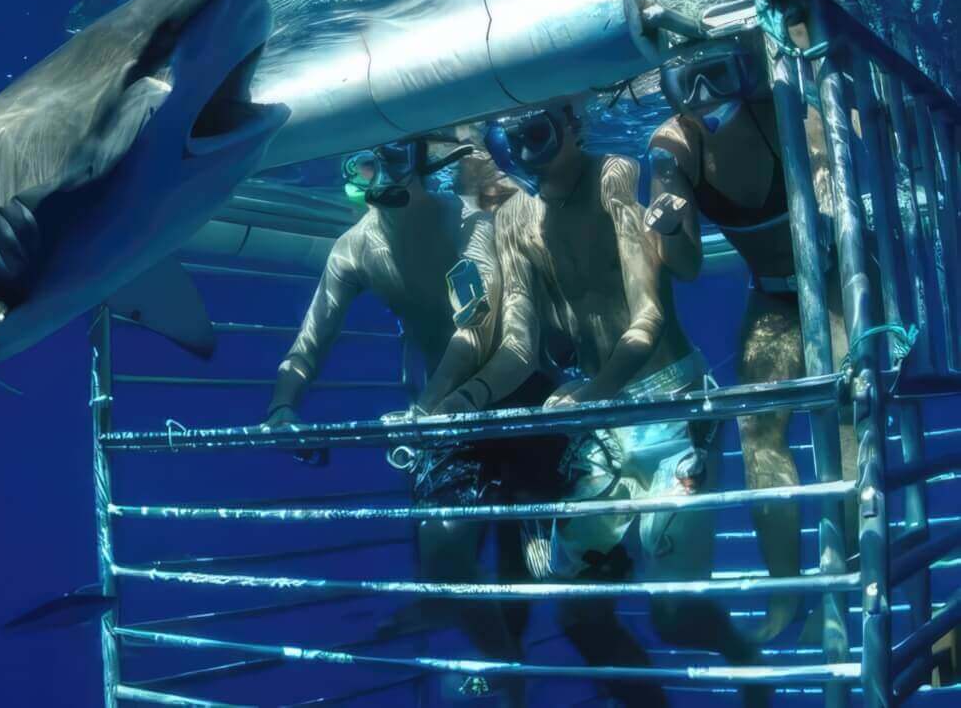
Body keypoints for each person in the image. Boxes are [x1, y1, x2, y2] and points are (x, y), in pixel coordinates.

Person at [482, 97, 766, 708]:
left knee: (672, 617)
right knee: (579, 611)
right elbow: (522, 342)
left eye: (538, 131)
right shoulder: (516, 218)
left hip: (671, 410)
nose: (528, 152)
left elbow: (649, 316)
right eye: (514, 140)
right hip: (602, 420)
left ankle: (745, 658)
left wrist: (590, 392)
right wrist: (452, 401)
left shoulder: (615, 179)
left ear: (572, 126)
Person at [263, 131, 536, 706]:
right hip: (437, 417)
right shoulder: (353, 248)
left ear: (422, 159)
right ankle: (510, 678)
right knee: (444, 559)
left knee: (529, 565)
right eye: (365, 164)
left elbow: (476, 321)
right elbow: (309, 340)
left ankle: (512, 666)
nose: (382, 175)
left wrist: (427, 406)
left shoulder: (465, 221)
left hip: (515, 392)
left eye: (394, 156)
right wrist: (281, 407)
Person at [644, 36, 854, 642]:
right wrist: (672, 215)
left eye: (717, 72)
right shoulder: (673, 140)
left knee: (843, 413)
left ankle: (854, 565)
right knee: (758, 432)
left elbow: (834, 210)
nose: (703, 94)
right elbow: (682, 266)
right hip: (770, 293)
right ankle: (788, 596)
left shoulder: (794, 107)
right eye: (688, 80)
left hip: (839, 281)